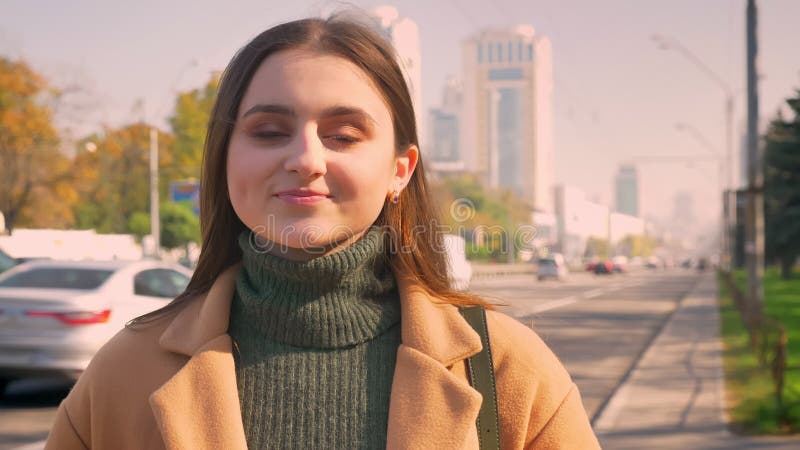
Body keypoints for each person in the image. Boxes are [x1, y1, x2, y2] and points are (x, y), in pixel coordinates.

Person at [45, 15, 600, 450]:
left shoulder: (505, 369)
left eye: (343, 134)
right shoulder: (125, 372)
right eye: (268, 131)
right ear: (224, 159)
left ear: (399, 171)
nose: (305, 158)